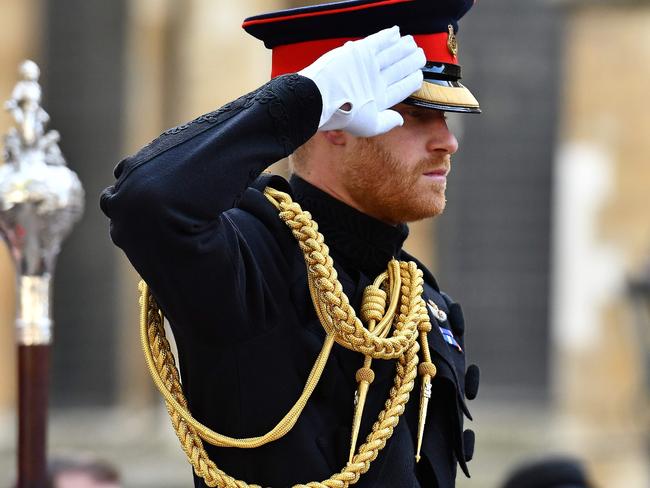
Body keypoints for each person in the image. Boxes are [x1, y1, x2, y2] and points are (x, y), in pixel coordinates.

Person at [101, 0, 481, 486]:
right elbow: (145, 200)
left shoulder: (418, 299)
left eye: (446, 118)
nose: (447, 142)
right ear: (337, 123)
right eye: (414, 114)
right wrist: (305, 99)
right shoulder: (250, 258)